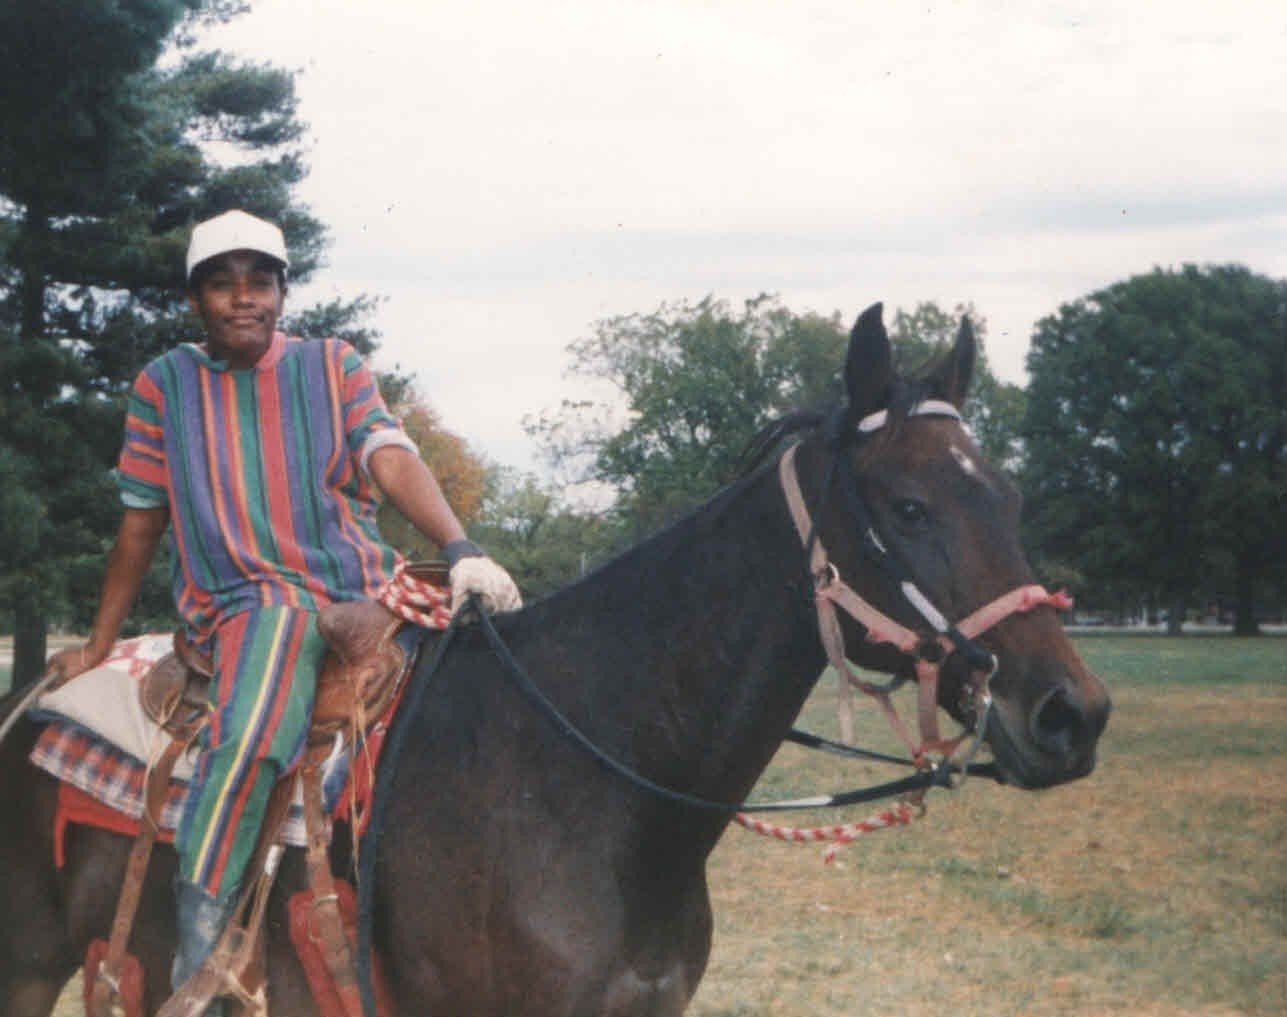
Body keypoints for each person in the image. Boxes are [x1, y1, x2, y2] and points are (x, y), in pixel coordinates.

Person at [45, 209, 521, 1007]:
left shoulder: (333, 364)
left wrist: (460, 543)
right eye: (221, 284)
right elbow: (138, 524)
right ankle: (202, 942)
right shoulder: (165, 385)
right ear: (197, 299)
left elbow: (388, 453)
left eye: (258, 282)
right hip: (245, 596)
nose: (242, 299)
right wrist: (98, 643)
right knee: (259, 728)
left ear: (282, 291)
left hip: (360, 581)